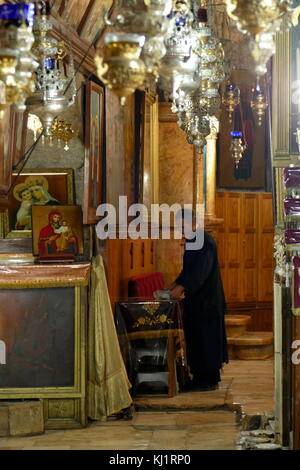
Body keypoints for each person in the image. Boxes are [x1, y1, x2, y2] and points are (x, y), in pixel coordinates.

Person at [168, 210, 228, 391]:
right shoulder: (194, 239)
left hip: (207, 302)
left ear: (193, 221)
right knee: (197, 339)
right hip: (198, 302)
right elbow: (188, 271)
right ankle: (200, 377)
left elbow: (200, 273)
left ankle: (207, 380)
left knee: (206, 341)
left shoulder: (203, 240)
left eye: (182, 223)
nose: (180, 228)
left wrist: (180, 288)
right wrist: (173, 285)